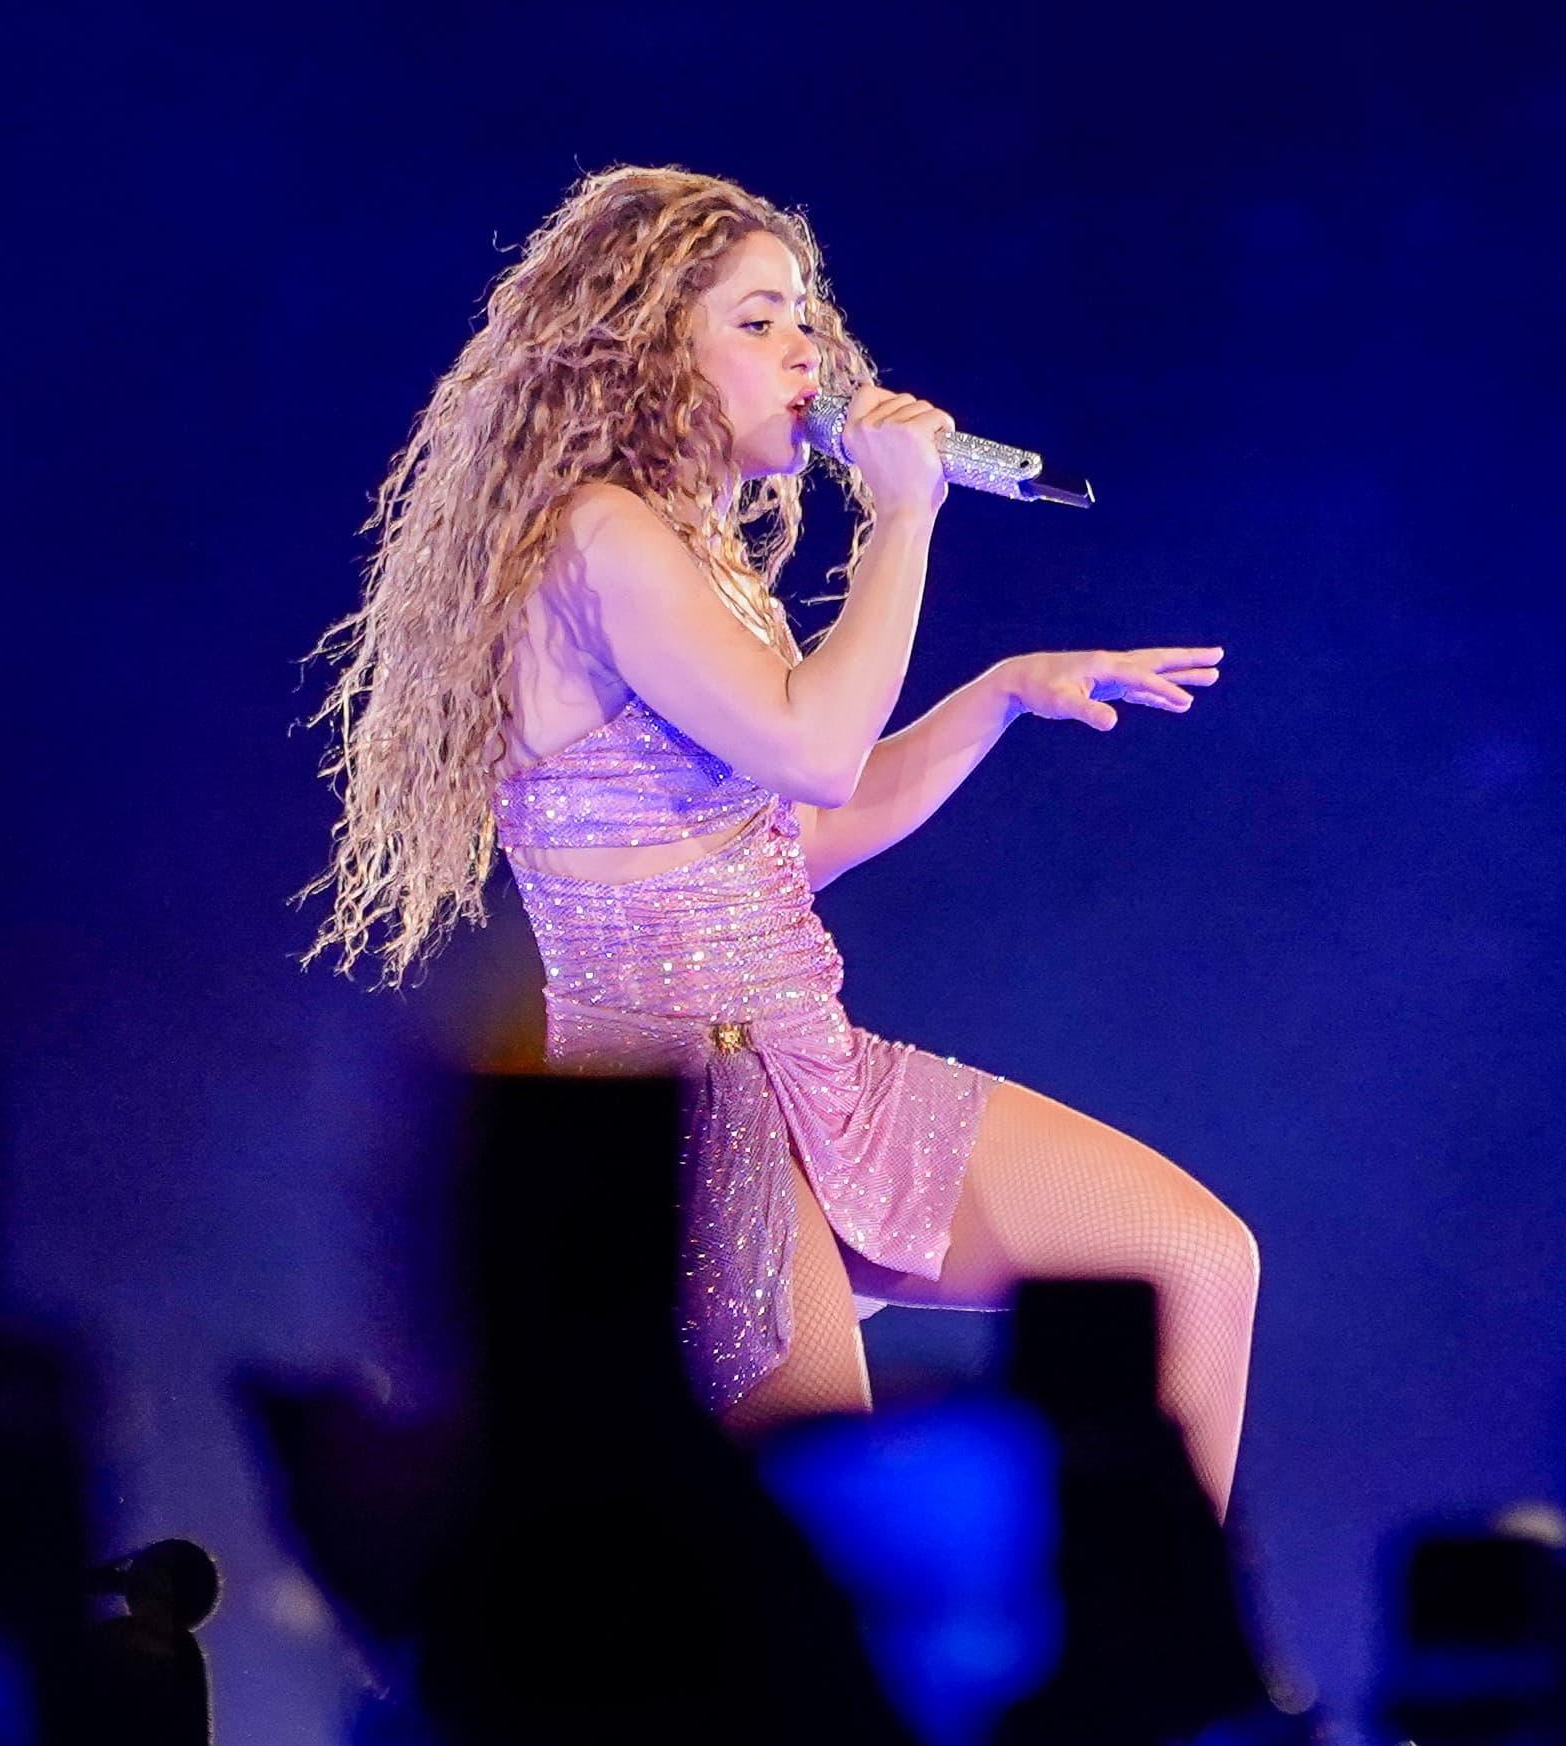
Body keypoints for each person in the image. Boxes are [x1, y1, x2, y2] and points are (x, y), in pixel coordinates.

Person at [307, 166, 1262, 1512]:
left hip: (805, 1059)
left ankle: (1159, 1675)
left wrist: (993, 697)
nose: (806, 351)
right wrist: (905, 517)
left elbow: (791, 843)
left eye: (804, 316)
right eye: (758, 319)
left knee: (1191, 1257)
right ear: (647, 346)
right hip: (683, 1107)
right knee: (828, 1520)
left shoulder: (695, 555)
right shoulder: (597, 539)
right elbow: (811, 744)